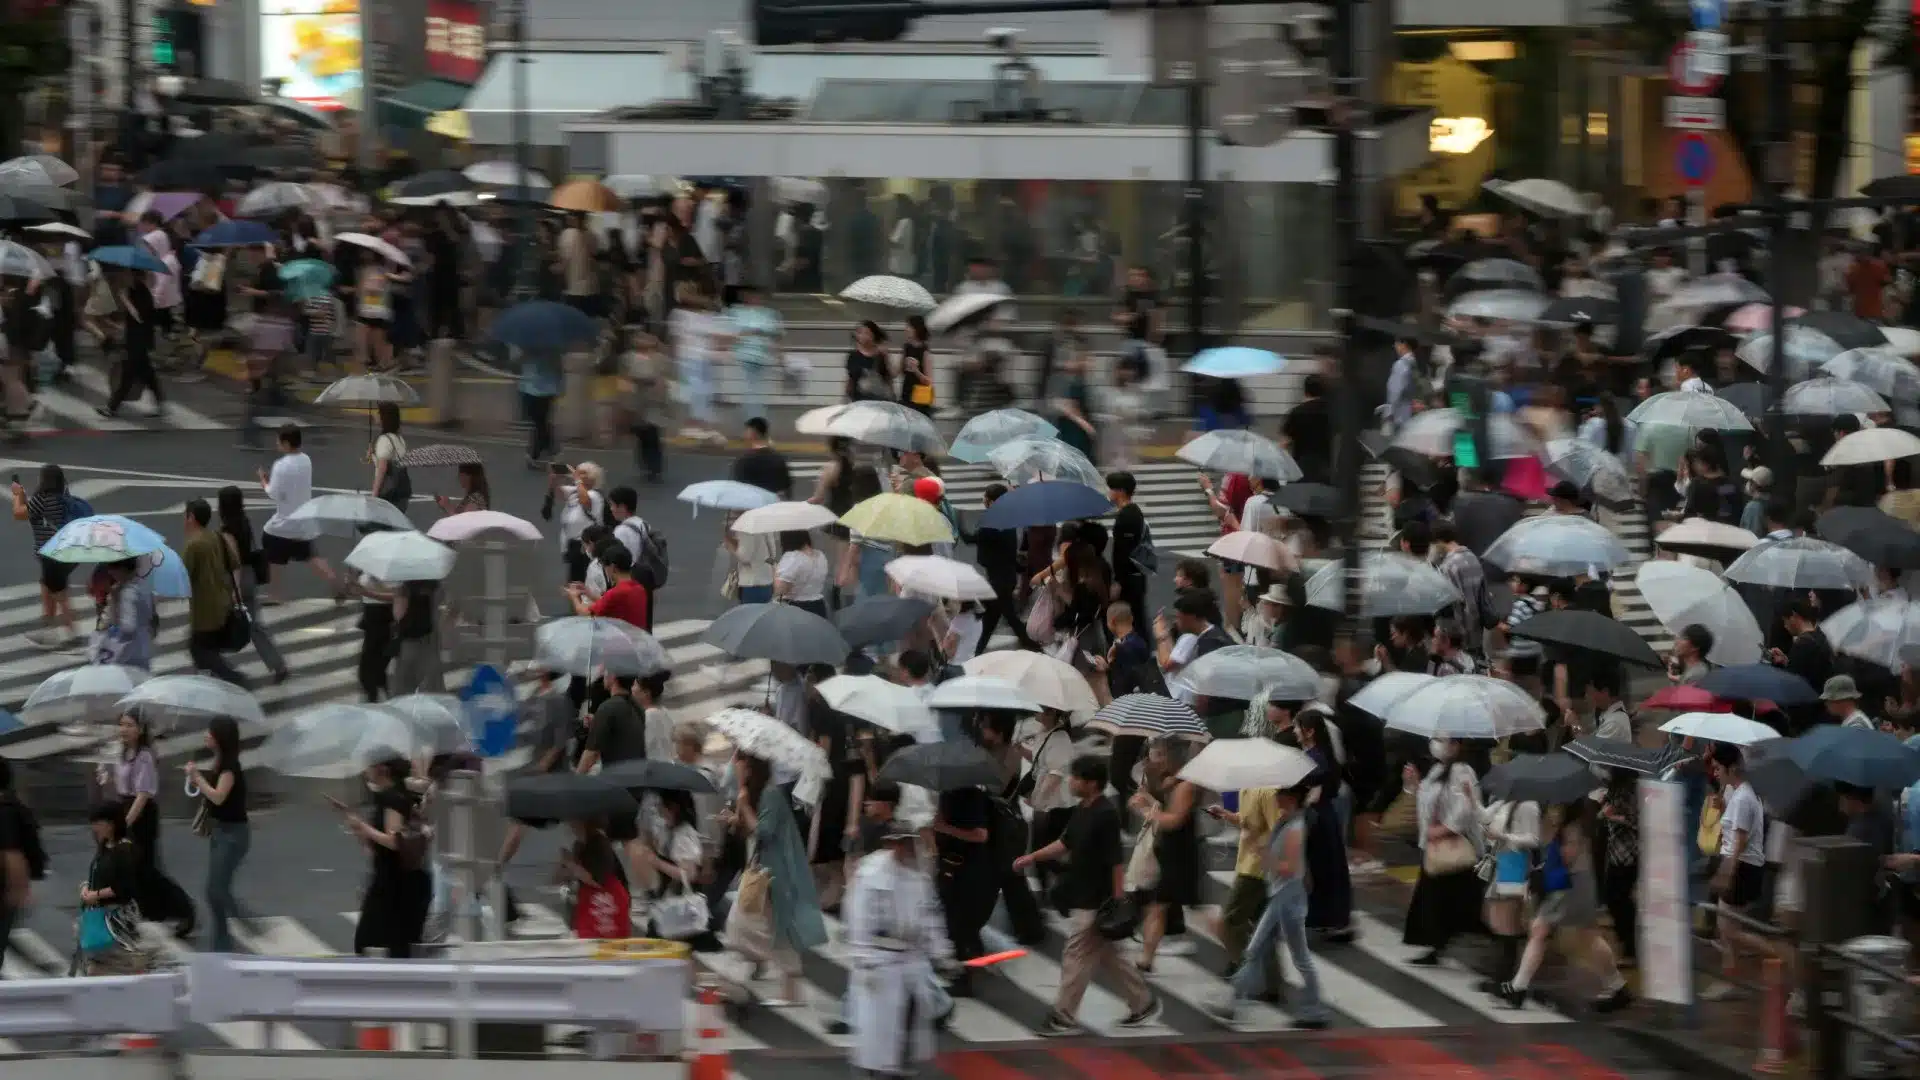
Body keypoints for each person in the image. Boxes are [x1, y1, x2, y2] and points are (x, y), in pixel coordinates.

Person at [1014, 755, 1161, 1035]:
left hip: (1097, 899)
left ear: (1091, 783)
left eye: (1076, 777)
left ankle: (1063, 1016)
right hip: (1084, 893)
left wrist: (1118, 901)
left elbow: (1116, 861)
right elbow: (1064, 842)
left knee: (1075, 954)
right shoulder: (1083, 808)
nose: (1070, 781)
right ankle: (1143, 1003)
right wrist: (1031, 857)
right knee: (1110, 956)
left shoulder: (1106, 814)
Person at [1208, 777, 1327, 1028]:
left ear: (1292, 798)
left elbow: (1289, 867)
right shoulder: (1287, 820)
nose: (1277, 798)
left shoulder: (1294, 827)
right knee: (1259, 950)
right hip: (1281, 897)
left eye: (1281, 795)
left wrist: (1261, 853)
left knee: (1294, 956)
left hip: (1287, 900)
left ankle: (1314, 1009)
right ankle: (1238, 1000)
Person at [1495, 801, 1631, 1011]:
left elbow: (1568, 854)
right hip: (1579, 882)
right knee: (1587, 936)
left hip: (1569, 884)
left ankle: (1518, 988)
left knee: (1542, 929)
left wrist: (1551, 837)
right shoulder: (1581, 819)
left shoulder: (1572, 824)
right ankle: (1617, 986)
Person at [845, 815, 952, 1079]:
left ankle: (897, 1065)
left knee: (912, 1013)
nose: (905, 848)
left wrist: (943, 954)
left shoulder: (919, 877)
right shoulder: (870, 874)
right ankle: (879, 1069)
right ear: (892, 844)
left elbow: (930, 918)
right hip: (879, 960)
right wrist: (863, 957)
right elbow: (858, 917)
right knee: (878, 1027)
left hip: (911, 959)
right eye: (901, 843)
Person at [722, 753, 827, 1007]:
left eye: (738, 764)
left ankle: (789, 989)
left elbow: (765, 833)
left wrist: (745, 807)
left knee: (774, 928)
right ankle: (760, 965)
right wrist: (736, 817)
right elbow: (754, 829)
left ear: (749, 768)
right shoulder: (759, 794)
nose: (734, 768)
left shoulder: (769, 794)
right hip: (763, 870)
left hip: (774, 873)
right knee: (744, 924)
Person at [99, 713, 195, 937]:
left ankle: (183, 909)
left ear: (140, 729)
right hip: (125, 809)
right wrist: (107, 779)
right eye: (121, 724)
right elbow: (123, 786)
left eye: (129, 725)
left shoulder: (145, 757)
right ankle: (146, 913)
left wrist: (125, 824)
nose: (123, 730)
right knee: (131, 870)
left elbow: (142, 795)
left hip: (141, 817)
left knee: (146, 869)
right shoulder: (122, 753)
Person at [333, 756, 431, 958]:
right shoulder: (393, 796)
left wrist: (363, 827)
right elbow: (374, 848)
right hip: (391, 880)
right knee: (386, 945)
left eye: (368, 766)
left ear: (382, 769)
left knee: (373, 943)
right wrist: (357, 826)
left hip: (397, 886)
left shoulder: (392, 798)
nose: (365, 772)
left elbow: (394, 841)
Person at [1402, 737, 1483, 966]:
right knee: (1439, 899)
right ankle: (1438, 945)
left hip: (1452, 845)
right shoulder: (1437, 770)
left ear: (1456, 745)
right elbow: (1426, 801)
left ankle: (1441, 944)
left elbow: (1466, 807)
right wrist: (1414, 784)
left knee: (1446, 899)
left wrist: (1445, 829)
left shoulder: (1463, 771)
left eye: (1442, 739)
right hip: (1435, 847)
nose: (1435, 744)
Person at [1129, 737, 1199, 973]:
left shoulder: (1186, 784)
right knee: (1157, 906)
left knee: (1204, 911)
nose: (1155, 759)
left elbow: (1173, 820)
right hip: (1168, 851)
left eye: (1160, 754)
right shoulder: (1170, 781)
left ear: (1174, 756)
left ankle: (1236, 952)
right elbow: (1163, 806)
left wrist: (1146, 809)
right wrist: (1148, 798)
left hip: (1181, 855)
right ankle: (1146, 959)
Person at [185, 716, 249, 952]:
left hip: (234, 835)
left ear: (220, 738)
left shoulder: (230, 766)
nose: (206, 736)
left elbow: (218, 796)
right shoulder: (220, 761)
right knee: (215, 890)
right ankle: (223, 939)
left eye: (210, 733)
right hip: (221, 832)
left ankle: (243, 923)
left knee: (217, 889)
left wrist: (197, 778)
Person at [217, 485, 289, 684]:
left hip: (237, 580)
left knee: (219, 624)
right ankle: (278, 664)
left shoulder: (227, 530)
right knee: (255, 625)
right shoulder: (244, 522)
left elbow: (235, 561)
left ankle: (215, 666)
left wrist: (235, 589)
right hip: (251, 577)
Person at [258, 424, 333, 602]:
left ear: (285, 443)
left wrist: (264, 481)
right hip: (304, 522)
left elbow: (274, 494)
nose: (276, 443)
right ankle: (334, 581)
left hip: (284, 522)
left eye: (278, 440)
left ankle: (275, 594)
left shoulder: (281, 465)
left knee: (271, 545)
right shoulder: (306, 460)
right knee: (310, 555)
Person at [10, 462, 78, 648]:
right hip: (65, 552)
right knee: (50, 589)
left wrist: (17, 495)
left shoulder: (42, 498)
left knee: (59, 595)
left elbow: (19, 514)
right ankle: (49, 630)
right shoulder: (64, 497)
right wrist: (23, 497)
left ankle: (70, 633)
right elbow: (32, 513)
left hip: (51, 555)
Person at [182, 498, 248, 688]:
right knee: (209, 649)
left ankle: (234, 679)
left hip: (204, 610)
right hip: (223, 604)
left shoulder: (193, 544)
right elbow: (234, 563)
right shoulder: (218, 537)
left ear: (191, 517)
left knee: (200, 650)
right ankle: (216, 683)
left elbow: (184, 576)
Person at [77, 802, 149, 976]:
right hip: (98, 913)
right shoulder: (105, 846)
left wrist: (96, 894)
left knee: (120, 962)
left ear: (111, 824)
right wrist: (86, 887)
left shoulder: (125, 850)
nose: (94, 828)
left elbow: (124, 888)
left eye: (98, 823)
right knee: (96, 965)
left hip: (116, 918)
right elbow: (97, 872)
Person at [726, 285, 783, 423]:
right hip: (743, 355)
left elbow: (776, 336)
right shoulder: (735, 312)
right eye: (750, 296)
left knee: (755, 390)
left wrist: (779, 355)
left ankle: (753, 422)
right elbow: (728, 334)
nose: (754, 298)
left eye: (756, 296)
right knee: (753, 390)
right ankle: (754, 422)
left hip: (761, 355)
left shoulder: (769, 313)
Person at [775, 530, 831, 618]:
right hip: (819, 605)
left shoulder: (792, 557)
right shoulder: (820, 555)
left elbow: (781, 589)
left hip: (796, 608)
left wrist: (775, 570)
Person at [732, 416, 792, 498]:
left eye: (746, 430)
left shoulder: (745, 460)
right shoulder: (779, 458)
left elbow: (739, 491)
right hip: (774, 507)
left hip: (752, 507)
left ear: (752, 432)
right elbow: (786, 489)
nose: (744, 434)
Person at [369, 403, 410, 513]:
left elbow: (382, 469)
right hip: (401, 494)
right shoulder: (399, 438)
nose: (375, 415)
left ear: (384, 417)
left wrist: (375, 494)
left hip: (388, 495)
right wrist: (373, 454)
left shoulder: (384, 439)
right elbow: (392, 462)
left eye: (378, 413)